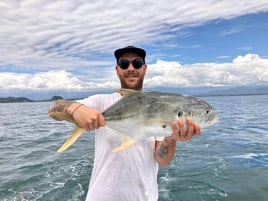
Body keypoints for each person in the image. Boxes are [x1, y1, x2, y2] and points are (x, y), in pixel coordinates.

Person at [49, 46, 201, 201]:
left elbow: (162, 160)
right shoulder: (100, 102)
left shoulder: (157, 106)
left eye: (136, 63)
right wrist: (76, 109)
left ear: (145, 68)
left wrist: (171, 138)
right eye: (124, 64)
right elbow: (54, 109)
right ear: (117, 69)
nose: (130, 68)